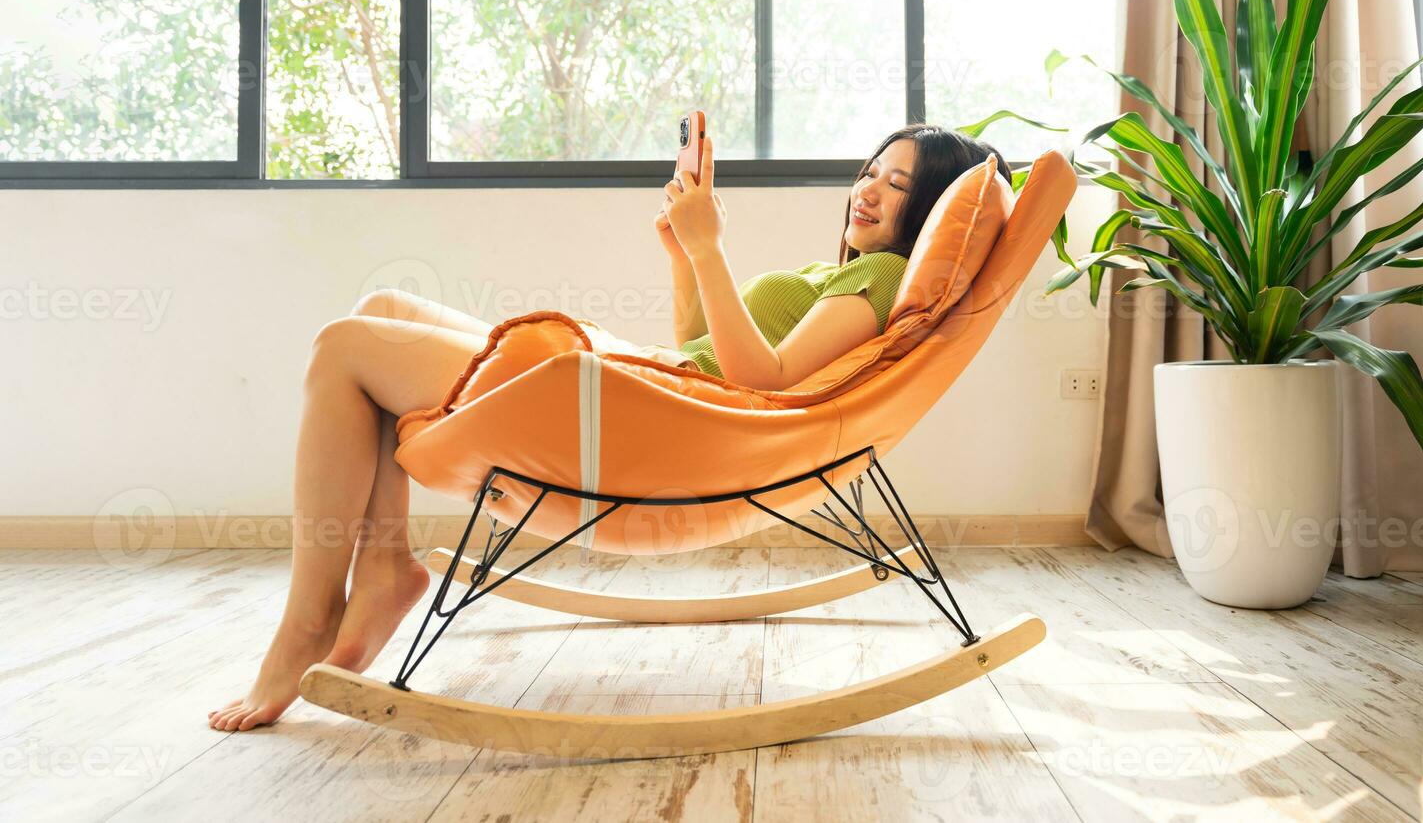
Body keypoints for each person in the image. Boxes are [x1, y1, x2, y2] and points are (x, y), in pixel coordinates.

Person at [206, 122, 1007, 732]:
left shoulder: (882, 276)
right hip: (655, 393)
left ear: (928, 208)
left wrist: (713, 246)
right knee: (379, 314)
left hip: (652, 413)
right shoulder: (840, 271)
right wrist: (684, 255)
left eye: (897, 184)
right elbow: (712, 349)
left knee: (346, 349)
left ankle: (310, 619)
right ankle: (381, 569)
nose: (868, 189)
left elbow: (768, 384)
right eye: (870, 171)